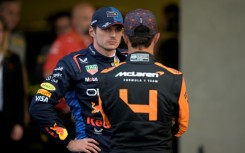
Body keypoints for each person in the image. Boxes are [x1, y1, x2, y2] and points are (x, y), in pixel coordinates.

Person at [29, 6, 127, 153]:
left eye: (118, 29)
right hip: (94, 148)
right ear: (92, 31)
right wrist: (68, 142)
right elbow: (39, 104)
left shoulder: (130, 60)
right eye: (107, 29)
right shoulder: (73, 63)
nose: (113, 35)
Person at [98, 8, 189, 153]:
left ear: (125, 38)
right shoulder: (174, 77)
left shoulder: (106, 76)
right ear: (157, 38)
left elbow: (107, 122)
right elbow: (181, 127)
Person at [43, 1, 95, 78]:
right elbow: (48, 73)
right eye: (86, 19)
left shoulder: (99, 39)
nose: (91, 23)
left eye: (93, 18)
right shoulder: (63, 41)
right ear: (74, 21)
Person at [0, 0, 29, 126]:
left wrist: (24, 108)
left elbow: (21, 74)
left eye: (18, 14)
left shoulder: (19, 40)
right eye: (11, 13)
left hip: (9, 110)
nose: (15, 18)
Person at [0, 16, 26, 152]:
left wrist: (19, 123)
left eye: (0, 30)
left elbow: (19, 94)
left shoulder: (13, 59)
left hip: (7, 119)